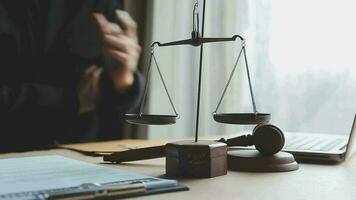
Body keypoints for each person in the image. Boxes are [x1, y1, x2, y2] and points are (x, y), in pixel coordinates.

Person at [0, 0, 144, 152]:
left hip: (79, 155)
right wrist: (67, 102)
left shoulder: (101, 4)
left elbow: (111, 107)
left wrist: (123, 82)